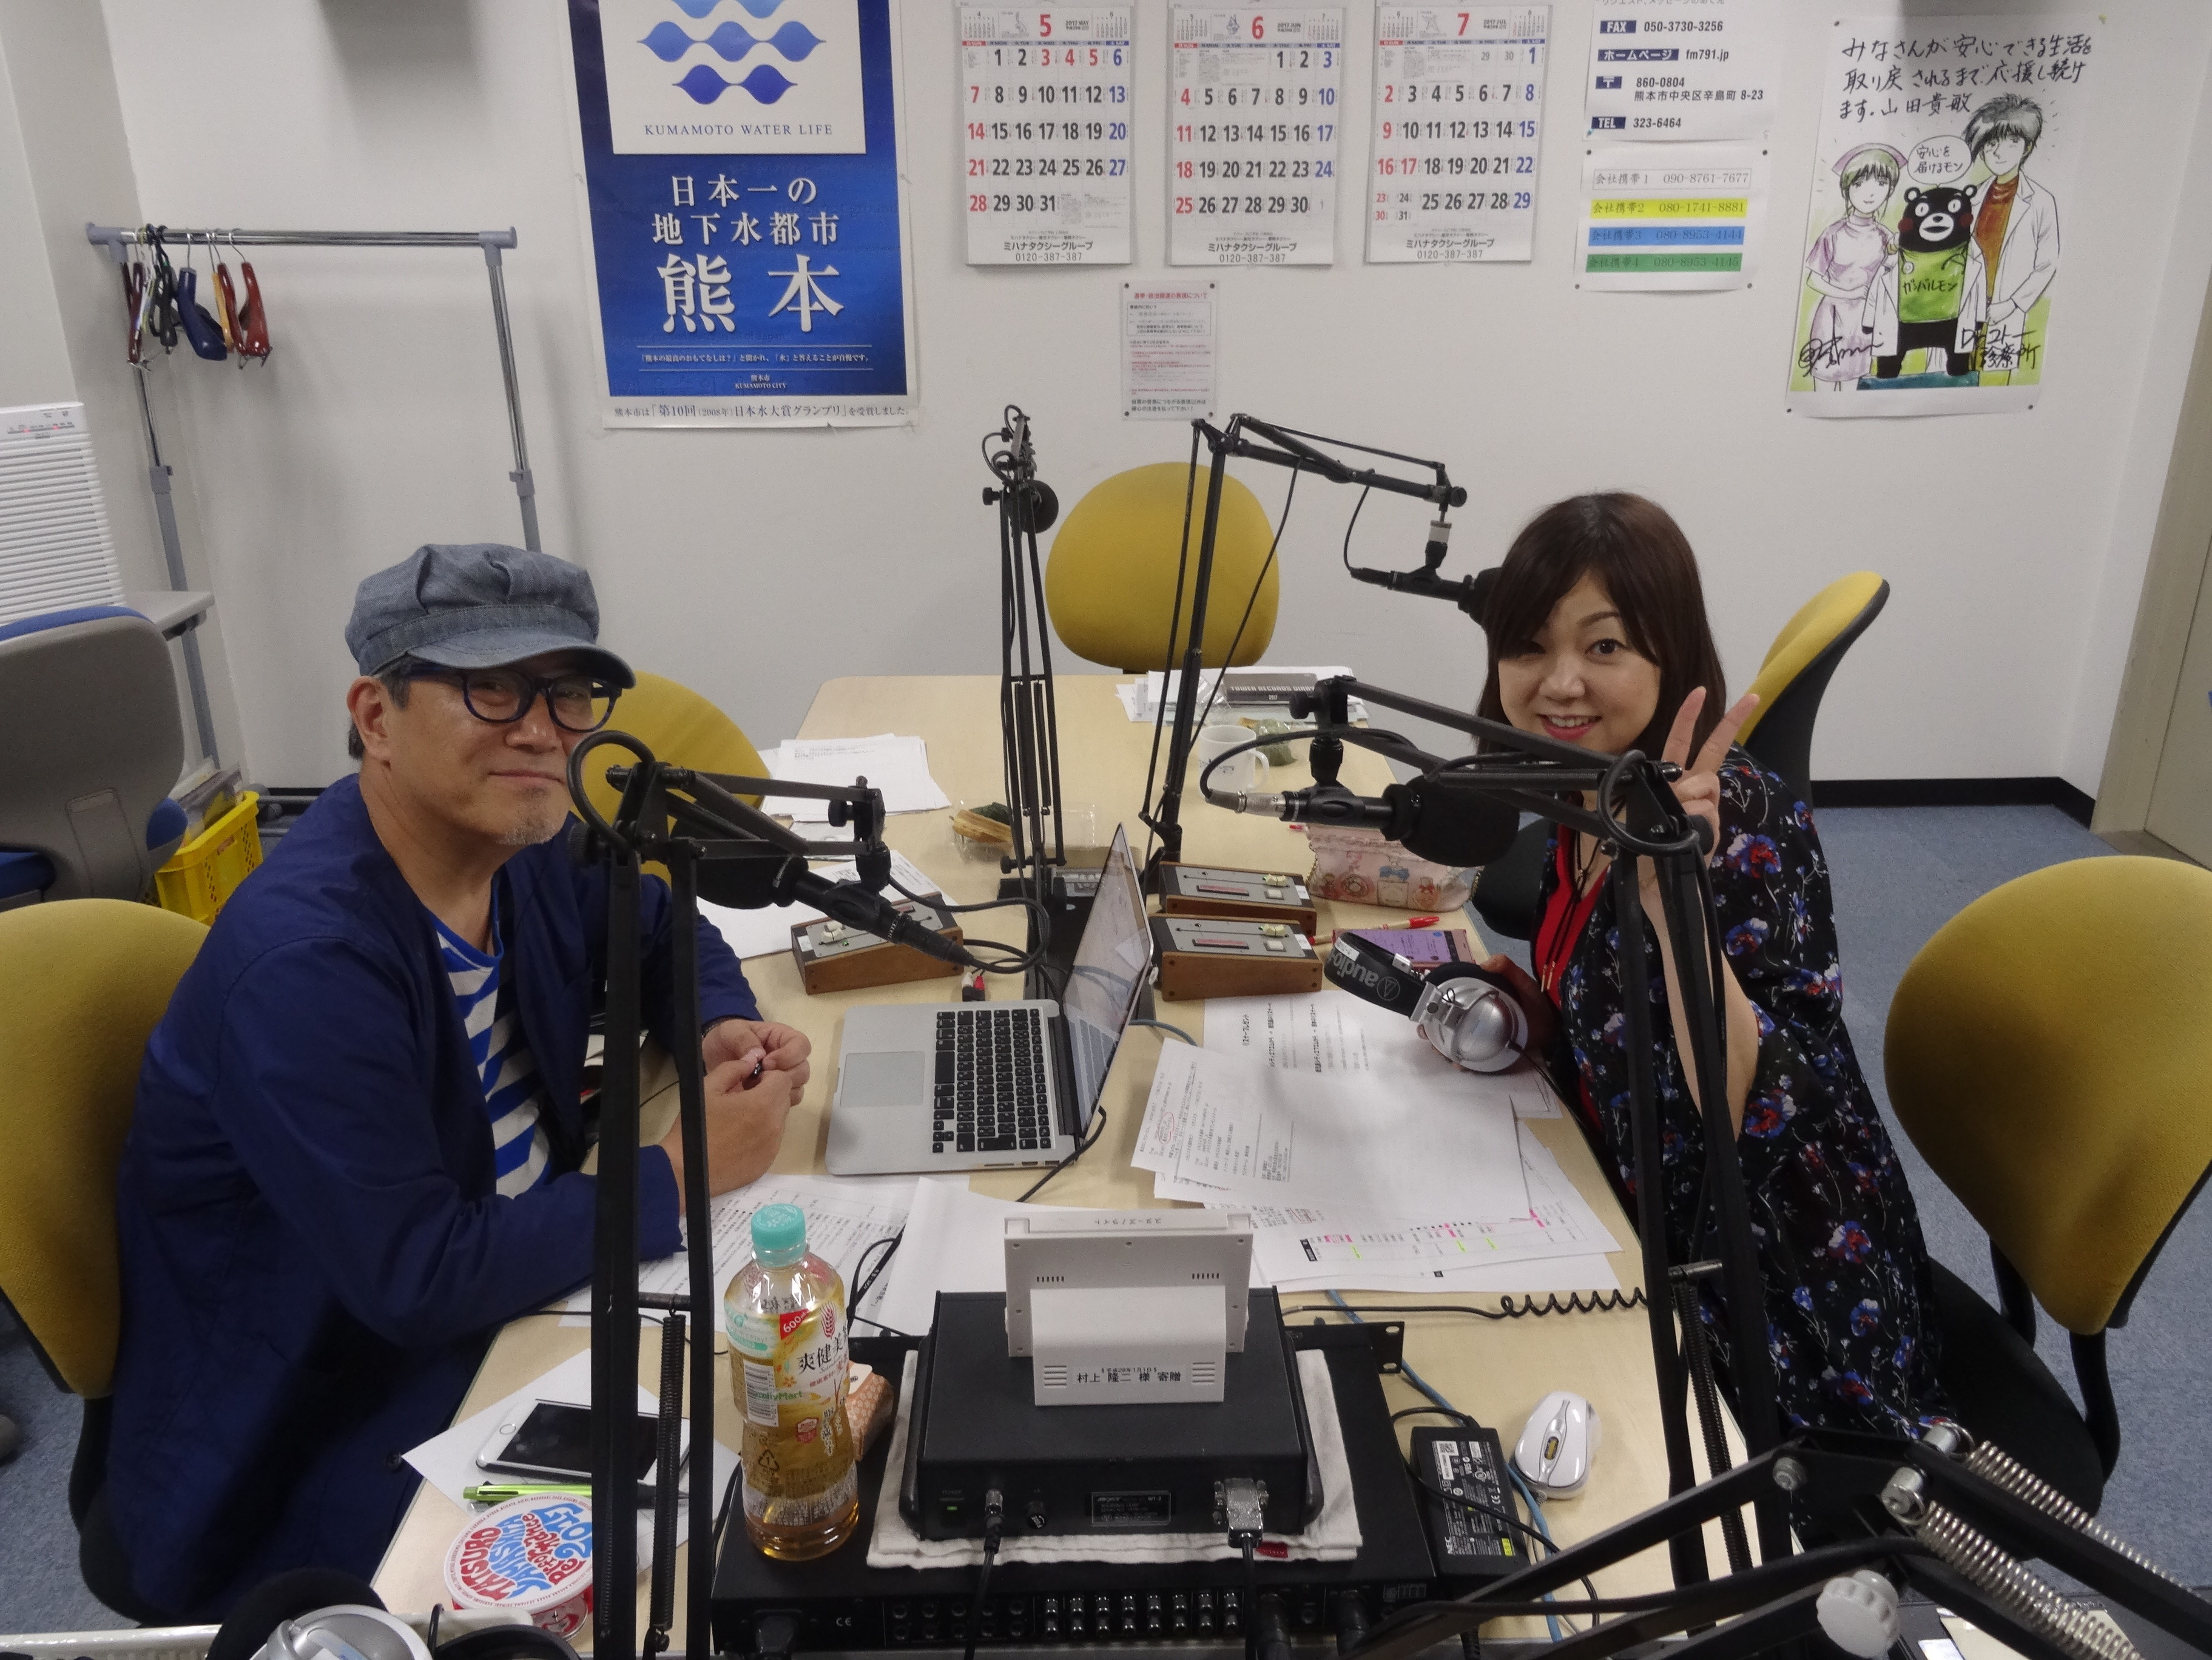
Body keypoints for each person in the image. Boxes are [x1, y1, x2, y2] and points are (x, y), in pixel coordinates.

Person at [106, 544, 811, 1618]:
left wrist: (718, 1021)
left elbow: (661, 924)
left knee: (799, 1410)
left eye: (567, 694)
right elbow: (418, 1276)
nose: (541, 730)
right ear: (376, 717)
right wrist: (679, 1170)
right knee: (714, 1552)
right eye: (491, 688)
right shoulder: (308, 965)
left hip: (519, 1300)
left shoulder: (523, 846)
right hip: (332, 1413)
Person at [1475, 494, 1946, 1436]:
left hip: (1766, 1285)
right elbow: (1622, 1010)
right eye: (1528, 646)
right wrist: (1545, 1018)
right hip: (1627, 1197)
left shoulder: (1733, 826)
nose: (1559, 683)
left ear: (1670, 653)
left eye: (1604, 646)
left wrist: (1672, 900)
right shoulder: (1589, 787)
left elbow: (1752, 1113)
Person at [1962, 93, 2060, 377]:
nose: (1999, 152)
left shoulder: (2041, 202)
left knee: (1993, 380)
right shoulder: (1970, 198)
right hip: (1967, 305)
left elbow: (2047, 265)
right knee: (1955, 375)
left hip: (2004, 309)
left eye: (2012, 142)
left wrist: (2013, 304)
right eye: (1991, 143)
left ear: (2027, 148)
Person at [1801, 143, 1903, 388]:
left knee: (1852, 385)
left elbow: (1892, 277)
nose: (1870, 193)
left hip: (1864, 322)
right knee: (1823, 386)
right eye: (1860, 184)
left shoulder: (1886, 236)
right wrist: (1849, 293)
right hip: (1832, 318)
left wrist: (1895, 253)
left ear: (1890, 190)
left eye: (1881, 184)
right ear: (1847, 188)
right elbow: (1814, 279)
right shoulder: (1833, 233)